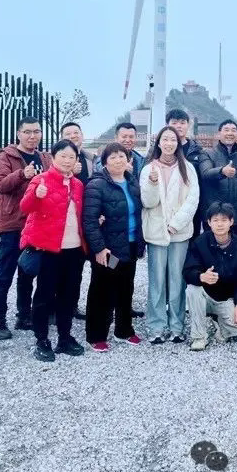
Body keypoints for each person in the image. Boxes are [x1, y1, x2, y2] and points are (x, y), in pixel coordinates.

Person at [18, 140, 87, 362]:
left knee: (69, 296)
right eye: (63, 156)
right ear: (53, 157)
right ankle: (42, 340)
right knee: (44, 296)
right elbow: (24, 207)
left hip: (73, 250)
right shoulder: (41, 180)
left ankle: (64, 337)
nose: (67, 160)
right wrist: (36, 195)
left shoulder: (78, 185)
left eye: (71, 157)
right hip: (49, 250)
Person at [0, 117, 52, 340]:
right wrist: (21, 174)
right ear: (18, 134)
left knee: (28, 272)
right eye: (27, 132)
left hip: (36, 224)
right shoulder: (6, 156)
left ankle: (24, 316)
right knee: (5, 273)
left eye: (36, 131)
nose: (32, 136)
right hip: (13, 223)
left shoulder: (45, 158)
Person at [140, 126, 200, 344]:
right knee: (157, 281)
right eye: (165, 139)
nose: (169, 143)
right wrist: (153, 183)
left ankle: (176, 326)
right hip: (156, 232)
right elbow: (148, 202)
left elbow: (193, 199)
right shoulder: (149, 168)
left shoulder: (187, 168)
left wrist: (175, 224)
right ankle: (156, 326)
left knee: (177, 280)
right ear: (158, 143)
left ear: (178, 143)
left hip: (180, 232)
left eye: (172, 139)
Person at [82, 142, 145, 351]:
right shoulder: (97, 185)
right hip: (109, 250)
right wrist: (99, 248)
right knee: (102, 289)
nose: (118, 160)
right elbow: (89, 221)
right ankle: (96, 335)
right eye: (113, 157)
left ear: (128, 160)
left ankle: (124, 330)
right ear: (104, 162)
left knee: (126, 288)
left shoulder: (132, 182)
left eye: (122, 156)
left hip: (130, 245)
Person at [183, 202, 237, 351]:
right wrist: (201, 276)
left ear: (231, 222)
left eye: (224, 220)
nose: (220, 224)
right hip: (205, 296)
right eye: (215, 220)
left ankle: (221, 330)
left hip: (226, 299)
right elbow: (188, 271)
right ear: (209, 222)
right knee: (192, 289)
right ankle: (199, 336)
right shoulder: (200, 242)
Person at [60, 121, 96, 321]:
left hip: (87, 220)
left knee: (78, 268)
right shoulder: (57, 159)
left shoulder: (91, 159)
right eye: (68, 133)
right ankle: (57, 308)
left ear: (82, 135)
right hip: (65, 224)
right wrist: (69, 172)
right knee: (61, 268)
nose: (73, 136)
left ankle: (72, 306)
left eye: (76, 132)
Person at [199, 119, 237, 237]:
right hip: (214, 216)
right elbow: (205, 173)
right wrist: (222, 171)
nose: (230, 133)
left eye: (233, 130)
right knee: (212, 247)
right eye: (226, 130)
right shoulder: (207, 154)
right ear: (219, 133)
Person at [166, 108, 206, 237]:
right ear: (167, 125)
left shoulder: (197, 150)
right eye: (174, 122)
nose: (179, 126)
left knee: (193, 239)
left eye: (182, 122)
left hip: (191, 204)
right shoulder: (159, 149)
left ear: (188, 125)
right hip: (167, 204)